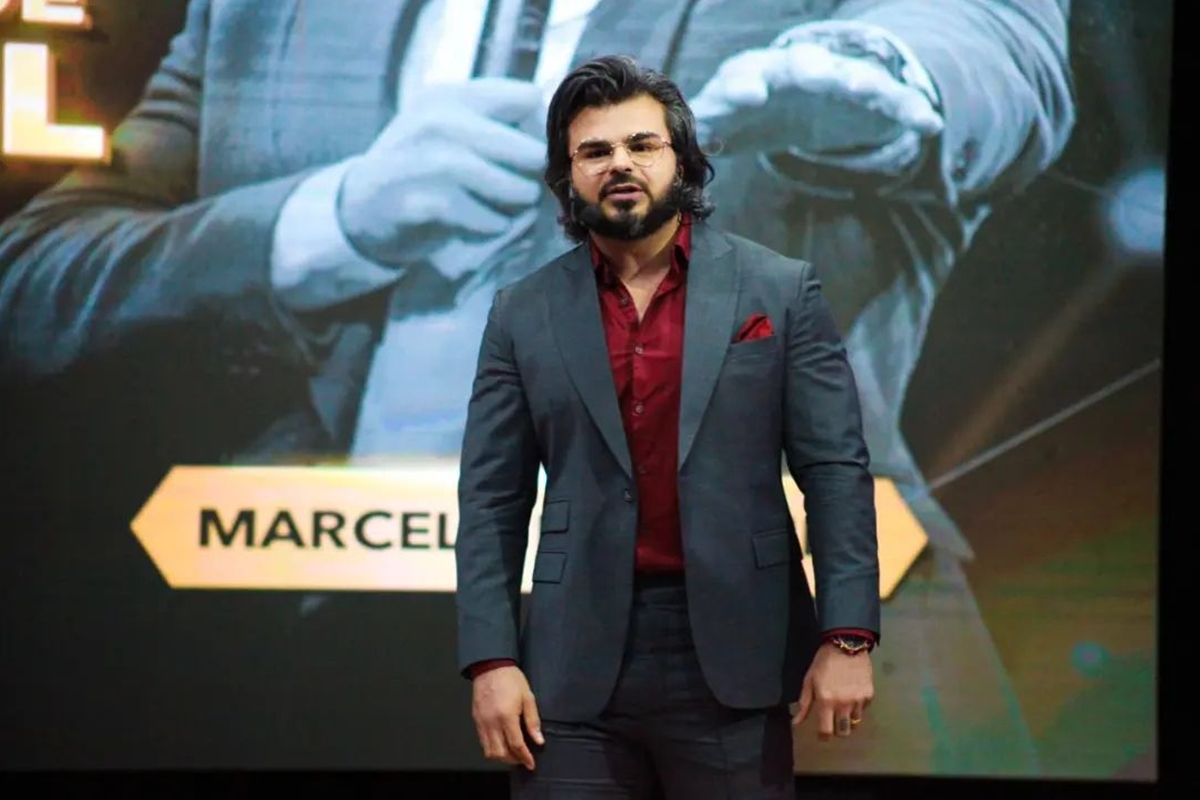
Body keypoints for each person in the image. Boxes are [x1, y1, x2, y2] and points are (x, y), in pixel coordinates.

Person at [0, 0, 1073, 772]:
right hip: (293, 658)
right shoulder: (256, 15)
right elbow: (36, 277)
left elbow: (991, 52)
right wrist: (333, 218)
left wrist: (877, 73)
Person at [455, 55, 880, 798]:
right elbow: (492, 501)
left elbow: (835, 472)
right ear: (567, 177)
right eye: (594, 151)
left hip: (734, 654)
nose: (620, 164)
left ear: (682, 159)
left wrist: (846, 637)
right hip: (569, 666)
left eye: (641, 145)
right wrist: (491, 661)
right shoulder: (521, 311)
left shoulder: (779, 290)